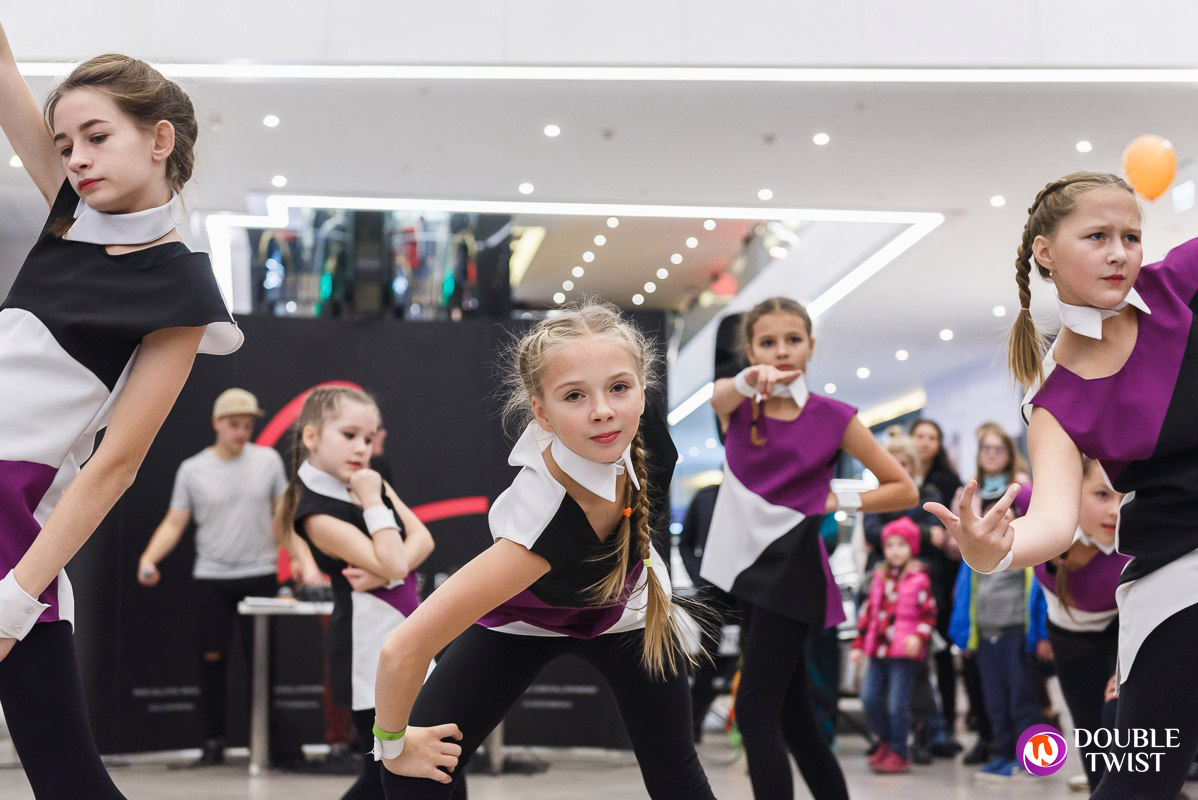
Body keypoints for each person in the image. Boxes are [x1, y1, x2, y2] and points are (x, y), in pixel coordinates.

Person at [0, 22, 241, 798]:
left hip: (12, 530)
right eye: (64, 144)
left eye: (96, 137)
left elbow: (118, 465)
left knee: (67, 777)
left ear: (159, 138)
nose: (76, 158)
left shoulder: (182, 288)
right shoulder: (69, 214)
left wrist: (16, 597)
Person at [925, 170, 1198, 798]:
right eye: (1097, 236)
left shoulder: (1181, 282)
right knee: (1139, 781)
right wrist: (991, 552)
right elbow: (1052, 521)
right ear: (1045, 252)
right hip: (1179, 578)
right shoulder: (1054, 400)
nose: (1119, 252)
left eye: (1131, 236)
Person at [374, 302, 715, 799]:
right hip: (521, 626)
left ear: (643, 388)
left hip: (632, 614)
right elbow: (401, 650)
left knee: (677, 774)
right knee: (415, 775)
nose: (602, 410)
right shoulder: (538, 527)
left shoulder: (643, 435)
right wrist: (392, 745)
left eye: (620, 387)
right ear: (541, 412)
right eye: (574, 395)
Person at [700, 296, 920, 800]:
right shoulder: (738, 407)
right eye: (768, 342)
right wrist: (745, 381)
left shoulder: (833, 416)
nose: (782, 351)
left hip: (792, 575)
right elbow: (717, 397)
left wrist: (834, 497)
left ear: (811, 347)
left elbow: (903, 488)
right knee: (795, 719)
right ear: (750, 351)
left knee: (755, 713)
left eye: (793, 340)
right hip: (747, 573)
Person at [137, 387, 317, 765]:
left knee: (261, 663)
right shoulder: (193, 469)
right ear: (217, 423)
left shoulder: (267, 461)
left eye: (248, 425)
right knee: (212, 659)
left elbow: (284, 516)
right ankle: (213, 741)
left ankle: (263, 743)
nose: (242, 432)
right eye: (234, 424)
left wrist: (300, 557)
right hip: (212, 577)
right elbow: (174, 522)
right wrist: (150, 558)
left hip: (260, 574)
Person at [280, 386, 436, 800]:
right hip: (367, 647)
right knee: (383, 772)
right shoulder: (314, 510)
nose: (362, 448)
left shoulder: (369, 479)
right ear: (312, 436)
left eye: (368, 438)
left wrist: (387, 568)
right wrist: (372, 503)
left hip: (407, 629)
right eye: (349, 435)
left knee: (442, 759)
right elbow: (397, 562)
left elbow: (422, 539)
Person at [1034, 457, 1127, 792]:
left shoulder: (1138, 539)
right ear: (1074, 489)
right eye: (1102, 495)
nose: (1115, 510)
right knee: (1089, 733)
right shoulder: (1042, 521)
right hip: (1068, 640)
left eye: (1125, 496)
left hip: (1122, 630)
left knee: (1119, 720)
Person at [851, 517, 937, 774]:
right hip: (878, 650)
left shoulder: (919, 579)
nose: (895, 551)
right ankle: (885, 741)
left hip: (903, 654)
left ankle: (899, 750)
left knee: (897, 704)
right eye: (890, 545)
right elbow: (868, 613)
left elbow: (928, 614)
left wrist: (918, 637)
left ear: (912, 547)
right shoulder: (878, 577)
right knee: (869, 698)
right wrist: (858, 644)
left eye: (901, 545)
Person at [676, 483, 736, 743]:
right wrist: (698, 577)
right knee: (707, 663)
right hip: (711, 594)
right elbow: (685, 543)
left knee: (742, 661)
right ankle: (692, 724)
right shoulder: (705, 497)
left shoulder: (751, 496)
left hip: (747, 593)